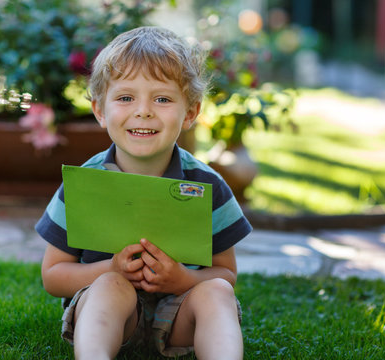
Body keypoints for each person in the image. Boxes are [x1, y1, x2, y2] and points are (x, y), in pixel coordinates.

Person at [36, 26, 252, 360]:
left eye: (162, 99)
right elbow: (53, 276)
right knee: (111, 287)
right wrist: (110, 270)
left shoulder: (208, 185)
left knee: (218, 292)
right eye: (125, 97)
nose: (144, 111)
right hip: (112, 316)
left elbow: (227, 273)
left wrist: (180, 278)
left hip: (180, 317)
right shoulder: (84, 184)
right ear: (100, 111)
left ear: (191, 112)